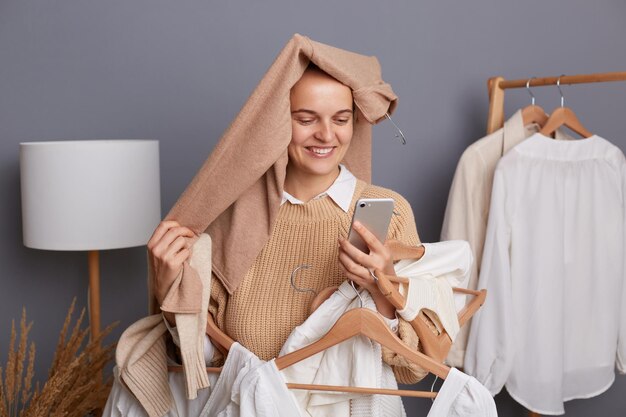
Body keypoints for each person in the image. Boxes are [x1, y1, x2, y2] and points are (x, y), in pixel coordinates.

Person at [148, 42, 425, 385]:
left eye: (341, 119)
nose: (326, 134)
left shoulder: (391, 213)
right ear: (277, 124)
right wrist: (170, 297)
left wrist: (384, 290)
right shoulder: (231, 220)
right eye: (306, 119)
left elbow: (412, 369)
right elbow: (206, 364)